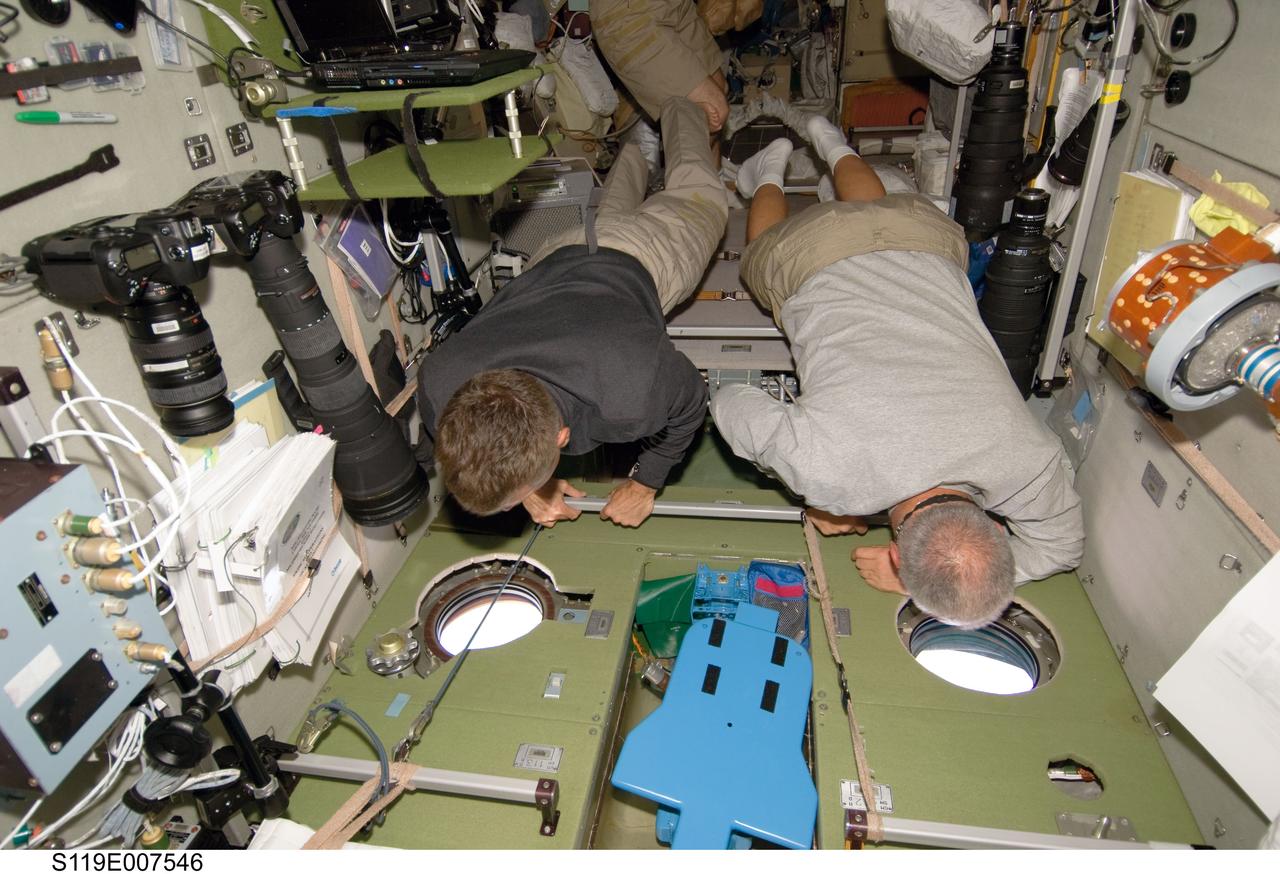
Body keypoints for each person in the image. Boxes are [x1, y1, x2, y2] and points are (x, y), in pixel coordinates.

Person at [710, 117, 1085, 628]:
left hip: (925, 238)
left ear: (997, 532)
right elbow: (729, 401)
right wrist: (819, 492)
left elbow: (1064, 547)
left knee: (874, 210)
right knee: (760, 257)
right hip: (813, 254)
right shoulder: (831, 473)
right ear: (893, 556)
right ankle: (768, 170)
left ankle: (830, 139)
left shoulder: (1031, 466)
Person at [415, 97, 727, 528]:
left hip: (648, 254)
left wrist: (645, 483)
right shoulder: (439, 384)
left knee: (703, 193)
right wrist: (528, 486)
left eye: (512, 503)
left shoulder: (633, 392)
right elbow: (490, 450)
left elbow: (691, 403)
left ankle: (681, 105)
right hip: (561, 251)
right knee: (609, 209)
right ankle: (637, 148)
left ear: (562, 438)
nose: (516, 506)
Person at [590, 0, 729, 135]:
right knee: (714, 111)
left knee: (720, 87)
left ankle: (705, 157)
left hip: (672, 4)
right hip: (629, 11)